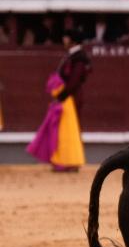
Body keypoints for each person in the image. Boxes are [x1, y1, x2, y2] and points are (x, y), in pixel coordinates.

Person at [27, 28, 91, 172]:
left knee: (69, 131)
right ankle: (67, 160)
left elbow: (74, 81)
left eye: (66, 37)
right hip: (69, 96)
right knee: (65, 130)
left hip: (71, 97)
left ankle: (71, 162)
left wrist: (61, 95)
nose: (64, 40)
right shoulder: (74, 56)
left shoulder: (78, 57)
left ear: (72, 40)